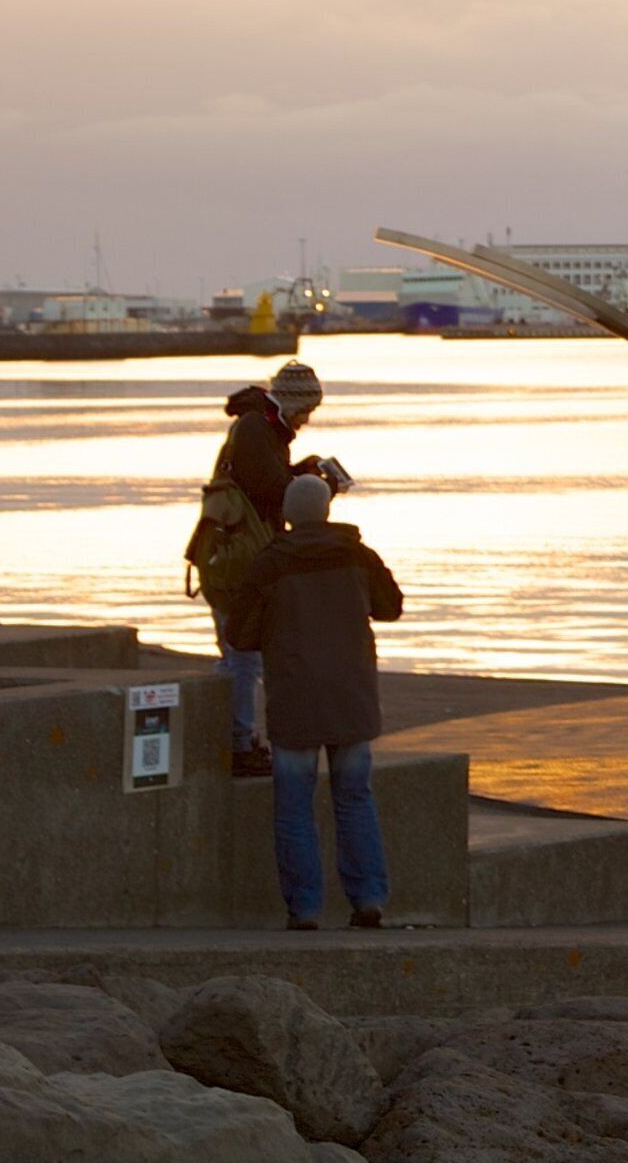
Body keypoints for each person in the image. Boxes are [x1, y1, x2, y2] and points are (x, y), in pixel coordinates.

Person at [225, 471, 403, 930]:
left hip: (295, 696)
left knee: (294, 807)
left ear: (287, 515)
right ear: (327, 511)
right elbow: (390, 607)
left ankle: (304, 909)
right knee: (355, 799)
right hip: (352, 696)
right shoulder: (358, 555)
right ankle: (368, 899)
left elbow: (239, 635)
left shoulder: (270, 564)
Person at [194, 359, 326, 774]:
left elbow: (264, 482)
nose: (307, 419)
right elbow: (270, 491)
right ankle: (236, 745)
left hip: (236, 553)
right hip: (239, 559)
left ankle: (232, 736)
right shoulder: (256, 428)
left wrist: (301, 474)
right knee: (243, 656)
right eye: (306, 409)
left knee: (240, 653)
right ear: (290, 401)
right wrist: (316, 488)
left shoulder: (263, 427)